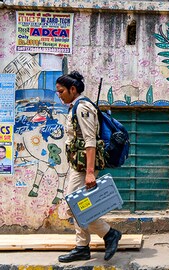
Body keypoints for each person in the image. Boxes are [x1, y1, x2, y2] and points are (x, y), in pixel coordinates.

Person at [56, 71, 121, 263]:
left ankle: (109, 234)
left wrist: (90, 173)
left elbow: (90, 141)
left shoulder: (82, 108)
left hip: (85, 167)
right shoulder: (75, 106)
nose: (59, 95)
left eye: (61, 91)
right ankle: (82, 247)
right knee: (81, 205)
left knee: (73, 207)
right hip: (79, 165)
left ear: (72, 89)